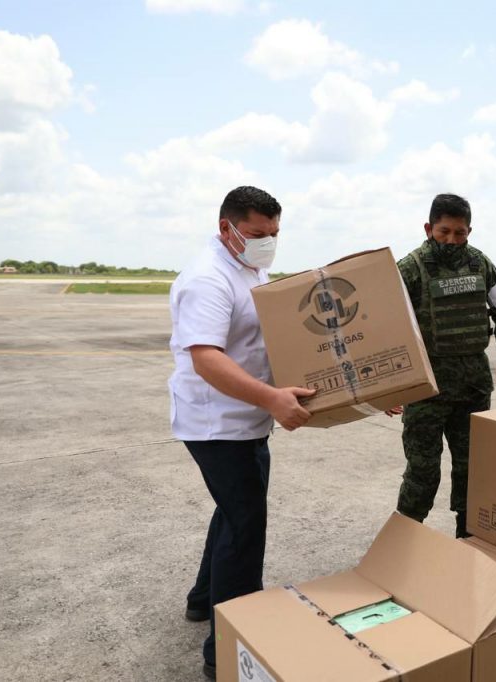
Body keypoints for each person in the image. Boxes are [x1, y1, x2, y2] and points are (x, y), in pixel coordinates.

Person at [168, 186, 315, 679]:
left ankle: (202, 599)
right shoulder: (208, 279)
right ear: (226, 227)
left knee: (234, 510)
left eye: (274, 233)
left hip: (244, 419)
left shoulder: (249, 266)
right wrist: (272, 398)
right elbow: (206, 359)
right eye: (256, 233)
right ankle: (227, 652)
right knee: (245, 525)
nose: (267, 242)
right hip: (217, 424)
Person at [392, 193, 496, 539]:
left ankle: (469, 540)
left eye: (460, 233)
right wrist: (389, 387)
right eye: (444, 232)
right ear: (428, 228)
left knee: (473, 469)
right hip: (426, 391)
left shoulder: (480, 264)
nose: (452, 240)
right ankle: (404, 544)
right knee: (422, 471)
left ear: (469, 231)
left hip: (472, 389)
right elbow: (386, 327)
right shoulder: (410, 268)